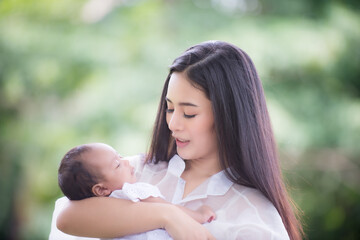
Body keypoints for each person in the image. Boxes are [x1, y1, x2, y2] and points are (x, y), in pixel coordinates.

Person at [50, 40, 304, 240]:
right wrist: (167, 215)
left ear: (229, 116)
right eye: (170, 109)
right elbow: (67, 217)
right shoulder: (133, 173)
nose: (172, 124)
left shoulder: (253, 214)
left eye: (189, 113)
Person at [57, 142, 215, 240]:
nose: (126, 161)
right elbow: (167, 207)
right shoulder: (132, 191)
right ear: (101, 189)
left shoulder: (99, 215)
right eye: (117, 164)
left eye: (120, 157)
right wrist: (198, 215)